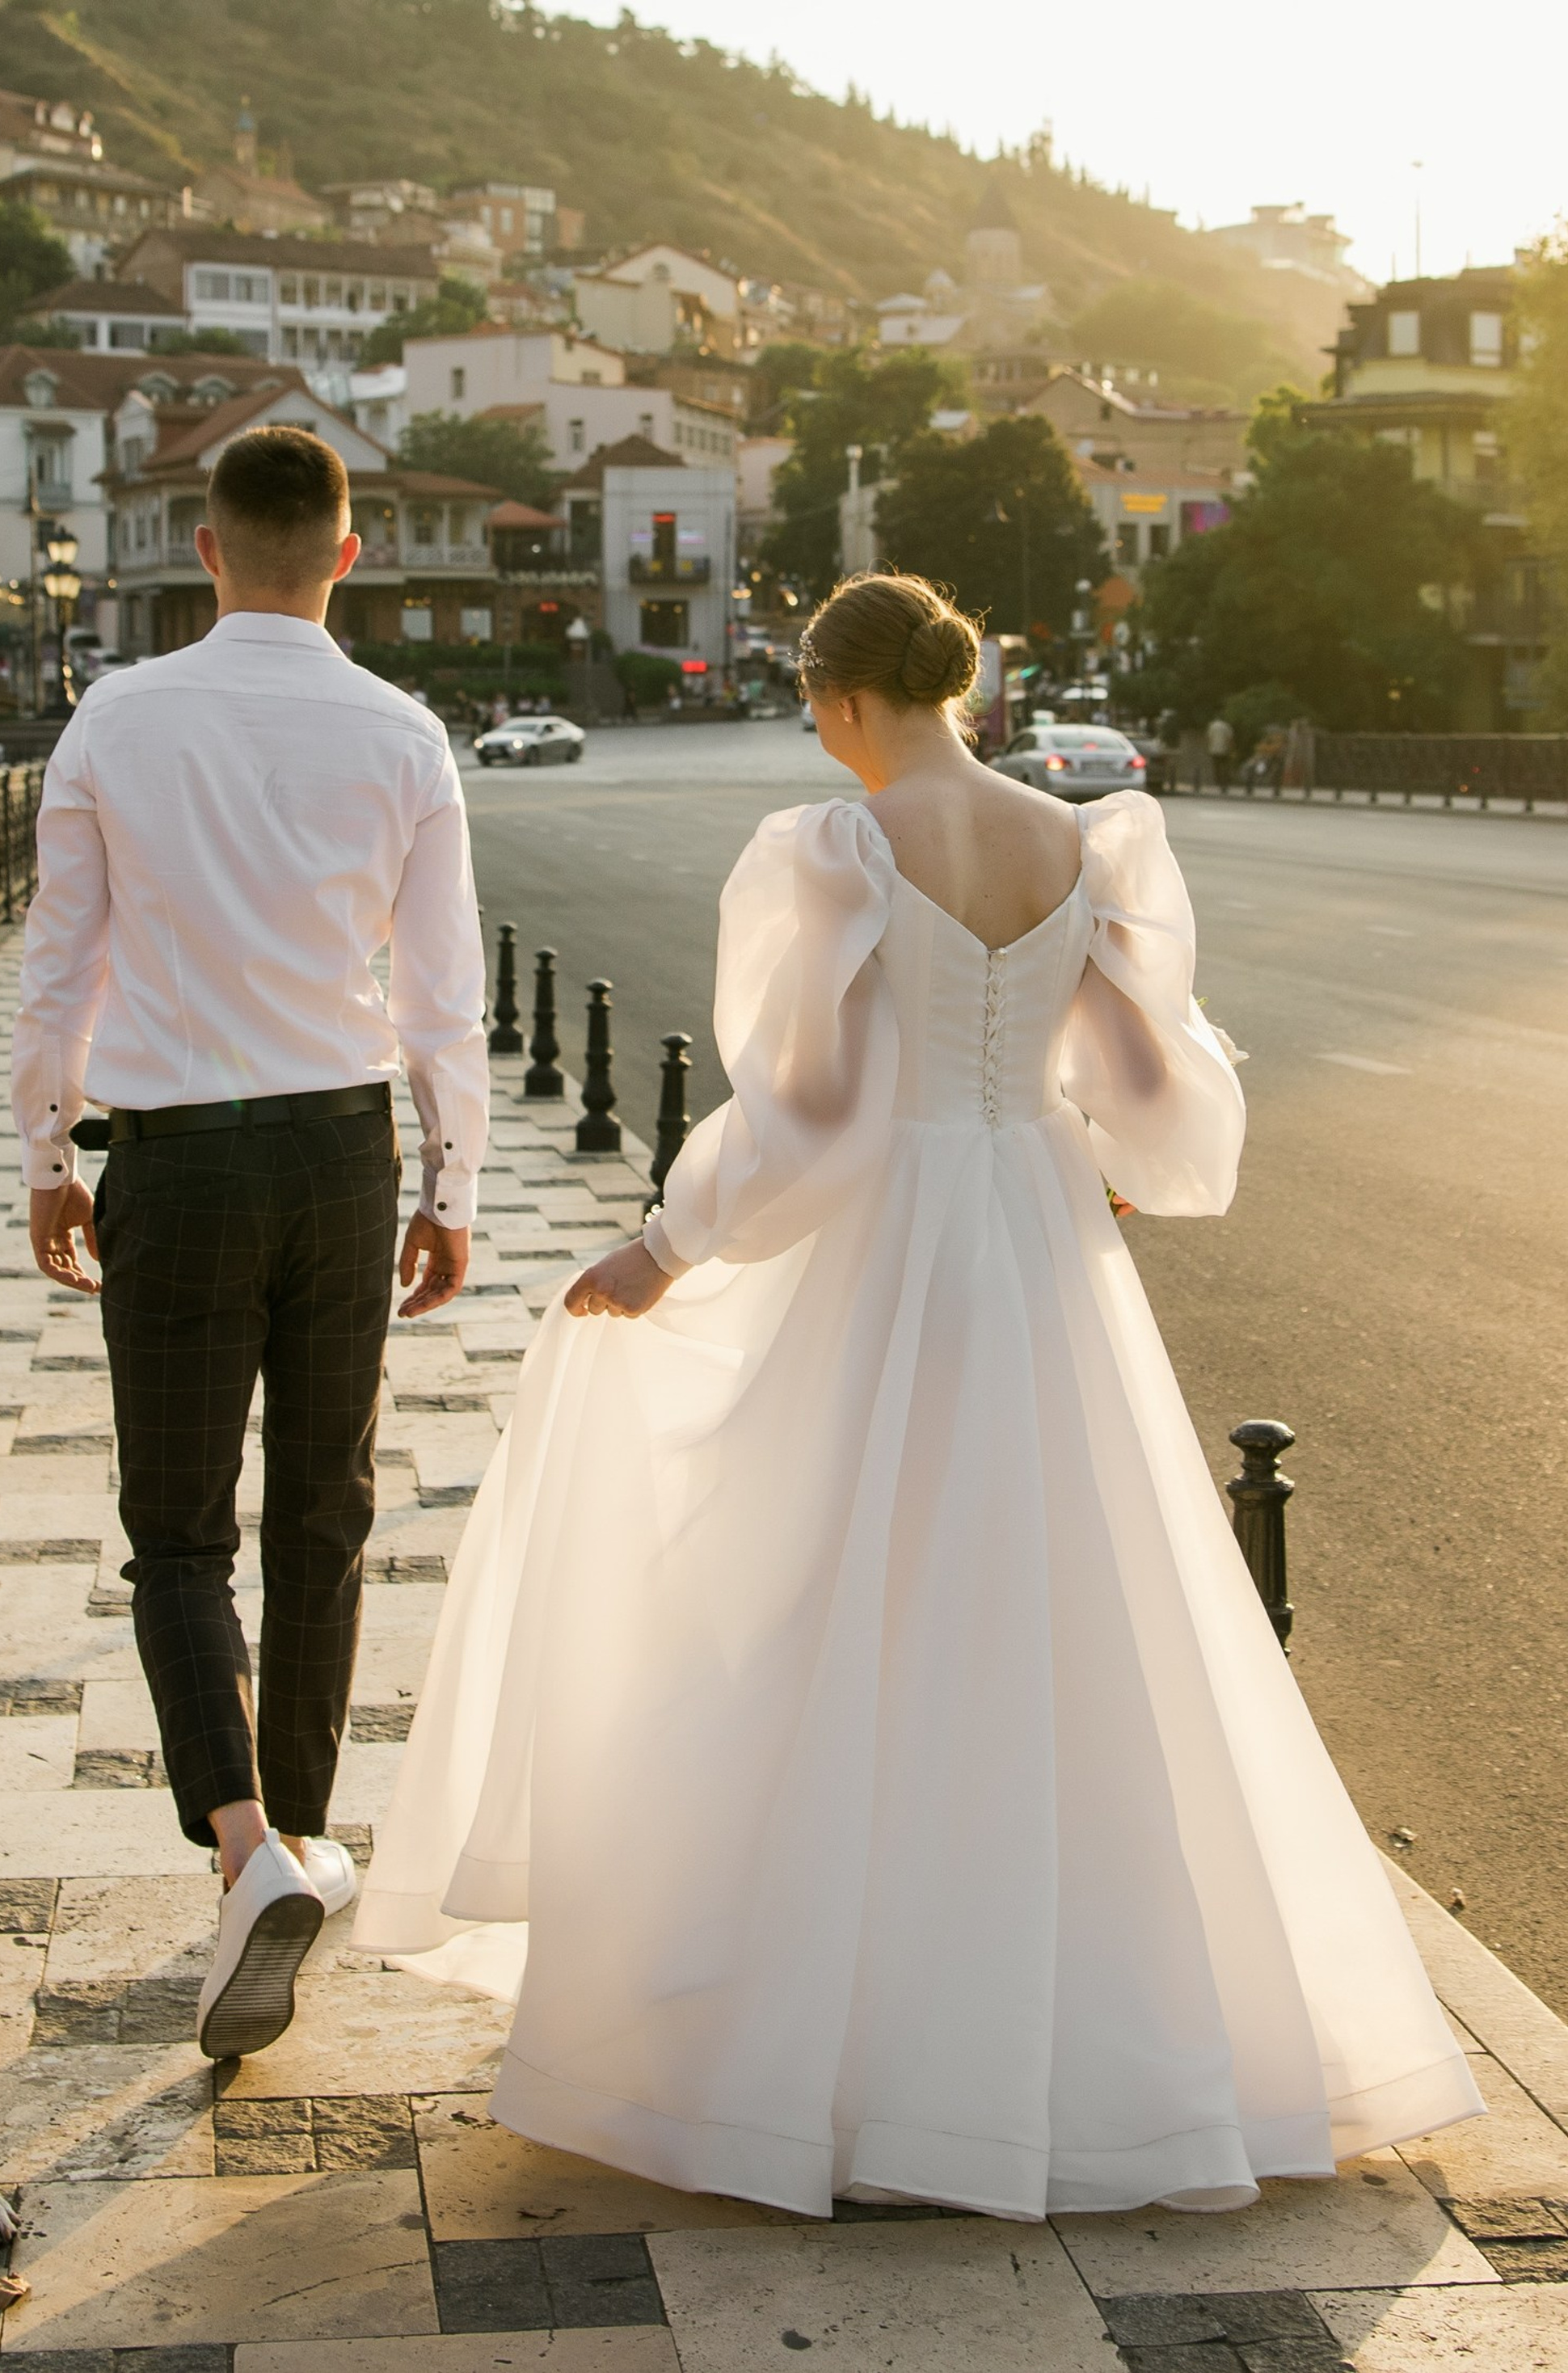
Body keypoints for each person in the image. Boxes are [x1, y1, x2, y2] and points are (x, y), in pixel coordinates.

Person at [356, 570, 1478, 2220]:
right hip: (1031, 1238)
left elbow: (806, 1112)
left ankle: (837, 2045)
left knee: (838, 1593)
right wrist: (1071, 1142)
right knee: (1067, 1610)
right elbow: (1155, 1085)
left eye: (812, 705)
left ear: (838, 698)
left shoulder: (839, 848)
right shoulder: (1075, 842)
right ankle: (1111, 2038)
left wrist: (666, 1242)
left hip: (894, 1246)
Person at [12, 425, 489, 2063]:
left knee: (174, 1530)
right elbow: (445, 992)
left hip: (180, 1162)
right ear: (347, 555)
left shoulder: (119, 714)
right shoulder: (402, 730)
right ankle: (291, 1828)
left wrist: (43, 1157)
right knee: (323, 1513)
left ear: (204, 550)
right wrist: (454, 1193)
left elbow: (56, 963)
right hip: (344, 1159)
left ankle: (245, 1848)